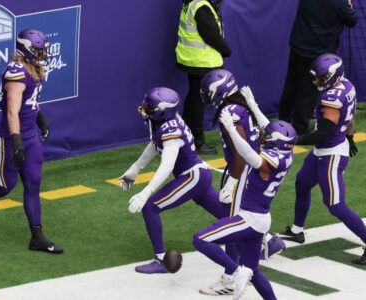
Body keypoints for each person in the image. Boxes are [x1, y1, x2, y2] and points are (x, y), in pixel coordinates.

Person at [119, 87, 228, 273]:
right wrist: (135, 168)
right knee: (226, 213)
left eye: (150, 107)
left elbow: (167, 166)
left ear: (163, 111)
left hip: (192, 176)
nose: (145, 109)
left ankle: (161, 260)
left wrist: (145, 192)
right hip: (197, 175)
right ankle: (266, 239)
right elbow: (155, 144)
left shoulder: (171, 131)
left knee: (149, 206)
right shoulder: (166, 121)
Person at [193, 106, 297, 300]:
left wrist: (232, 132)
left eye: (267, 138)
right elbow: (270, 129)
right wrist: (254, 105)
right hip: (261, 218)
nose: (262, 138)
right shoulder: (285, 154)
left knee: (200, 239)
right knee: (254, 272)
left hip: (250, 218)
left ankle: (236, 272)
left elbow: (248, 155)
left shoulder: (271, 161)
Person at [281, 53, 366, 265]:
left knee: (335, 204)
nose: (317, 81)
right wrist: (350, 137)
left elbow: (324, 132)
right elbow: (351, 115)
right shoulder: (346, 86)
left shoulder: (332, 97)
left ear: (332, 76)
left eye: (320, 78)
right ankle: (297, 230)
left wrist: (295, 140)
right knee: (302, 183)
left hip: (331, 153)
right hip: (324, 150)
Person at [0, 29, 63, 254]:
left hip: (30, 135)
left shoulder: (34, 68)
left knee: (33, 182)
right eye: (38, 50)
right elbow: (12, 112)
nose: (42, 54)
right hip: (13, 137)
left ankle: (37, 237)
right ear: (26, 50)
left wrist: (41, 121)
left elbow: (30, 102)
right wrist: (16, 141)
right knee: (5, 185)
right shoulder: (17, 72)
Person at [278, 0, 358, 135]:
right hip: (318, 52)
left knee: (291, 84)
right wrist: (349, 5)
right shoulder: (340, 2)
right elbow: (352, 20)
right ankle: (300, 128)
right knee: (308, 92)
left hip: (298, 45)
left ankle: (283, 119)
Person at [176, 0, 231, 155]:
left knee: (194, 97)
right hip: (203, 61)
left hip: (191, 58)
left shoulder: (192, 2)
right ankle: (197, 140)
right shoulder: (202, 6)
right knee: (198, 100)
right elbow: (211, 34)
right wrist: (226, 50)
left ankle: (185, 134)